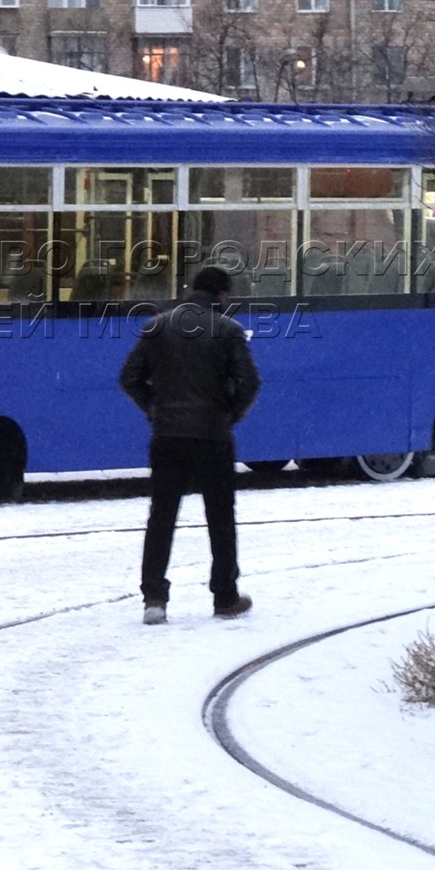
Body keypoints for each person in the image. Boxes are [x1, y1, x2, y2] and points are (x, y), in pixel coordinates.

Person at [119, 266, 261, 625]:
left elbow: (129, 377)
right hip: (212, 436)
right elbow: (251, 383)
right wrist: (229, 414)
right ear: (222, 296)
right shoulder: (228, 331)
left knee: (162, 515)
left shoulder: (158, 326)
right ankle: (225, 597)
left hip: (167, 436)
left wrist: (154, 407)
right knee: (220, 517)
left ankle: (154, 598)